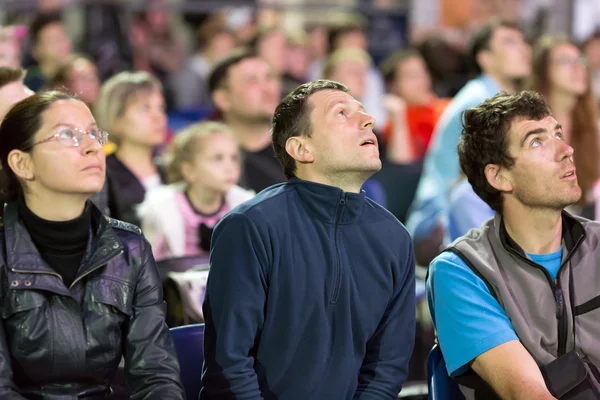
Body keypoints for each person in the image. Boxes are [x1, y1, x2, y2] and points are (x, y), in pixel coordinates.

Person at [201, 79, 416, 399]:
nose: (368, 120)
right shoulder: (250, 226)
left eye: (363, 111)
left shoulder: (394, 238)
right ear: (301, 148)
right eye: (342, 113)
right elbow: (230, 365)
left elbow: (386, 370)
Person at [0, 90, 184, 398]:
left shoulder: (130, 247)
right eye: (67, 135)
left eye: (94, 134)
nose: (92, 148)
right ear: (22, 163)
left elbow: (155, 374)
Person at [428, 91, 600, 400]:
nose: (566, 150)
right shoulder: (462, 271)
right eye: (537, 141)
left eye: (557, 133)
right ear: (499, 177)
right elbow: (526, 393)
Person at [405, 18, 531, 265]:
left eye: (523, 42)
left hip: (476, 212)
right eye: (509, 43)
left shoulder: (500, 98)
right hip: (438, 222)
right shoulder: (478, 101)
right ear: (485, 58)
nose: (524, 49)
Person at [138, 121, 254, 260]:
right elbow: (148, 264)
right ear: (189, 170)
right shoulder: (160, 208)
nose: (229, 167)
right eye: (218, 158)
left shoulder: (246, 206)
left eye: (234, 158)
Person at [527, 35, 600, 217]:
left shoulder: (593, 127)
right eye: (565, 61)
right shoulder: (527, 126)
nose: (578, 68)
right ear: (543, 71)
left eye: (580, 60)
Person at [95, 71, 168, 225]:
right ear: (116, 120)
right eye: (145, 108)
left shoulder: (171, 170)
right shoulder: (102, 174)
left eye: (160, 108)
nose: (158, 116)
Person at [208, 49, 285, 193]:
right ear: (223, 99)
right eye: (252, 81)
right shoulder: (211, 162)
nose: (268, 89)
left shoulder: (300, 146)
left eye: (269, 77)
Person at [24, 12, 73, 92]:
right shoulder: (29, 87)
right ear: (36, 51)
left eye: (64, 36)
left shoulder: (77, 79)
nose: (62, 43)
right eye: (54, 39)